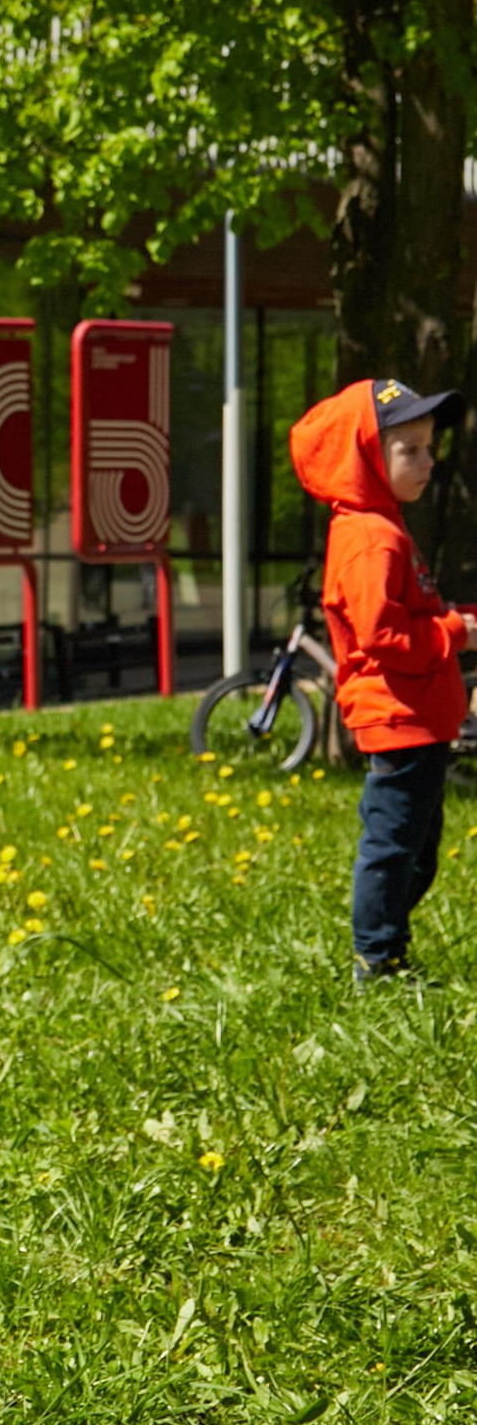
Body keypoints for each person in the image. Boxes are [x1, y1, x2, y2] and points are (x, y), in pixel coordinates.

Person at [290, 377, 469, 983]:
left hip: (416, 719)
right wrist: (455, 632)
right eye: (410, 449)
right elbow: (383, 637)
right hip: (398, 720)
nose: (428, 461)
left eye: (429, 446)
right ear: (367, 454)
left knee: (415, 854)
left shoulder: (381, 526)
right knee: (394, 851)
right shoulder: (371, 539)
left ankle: (387, 945)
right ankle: (378, 960)